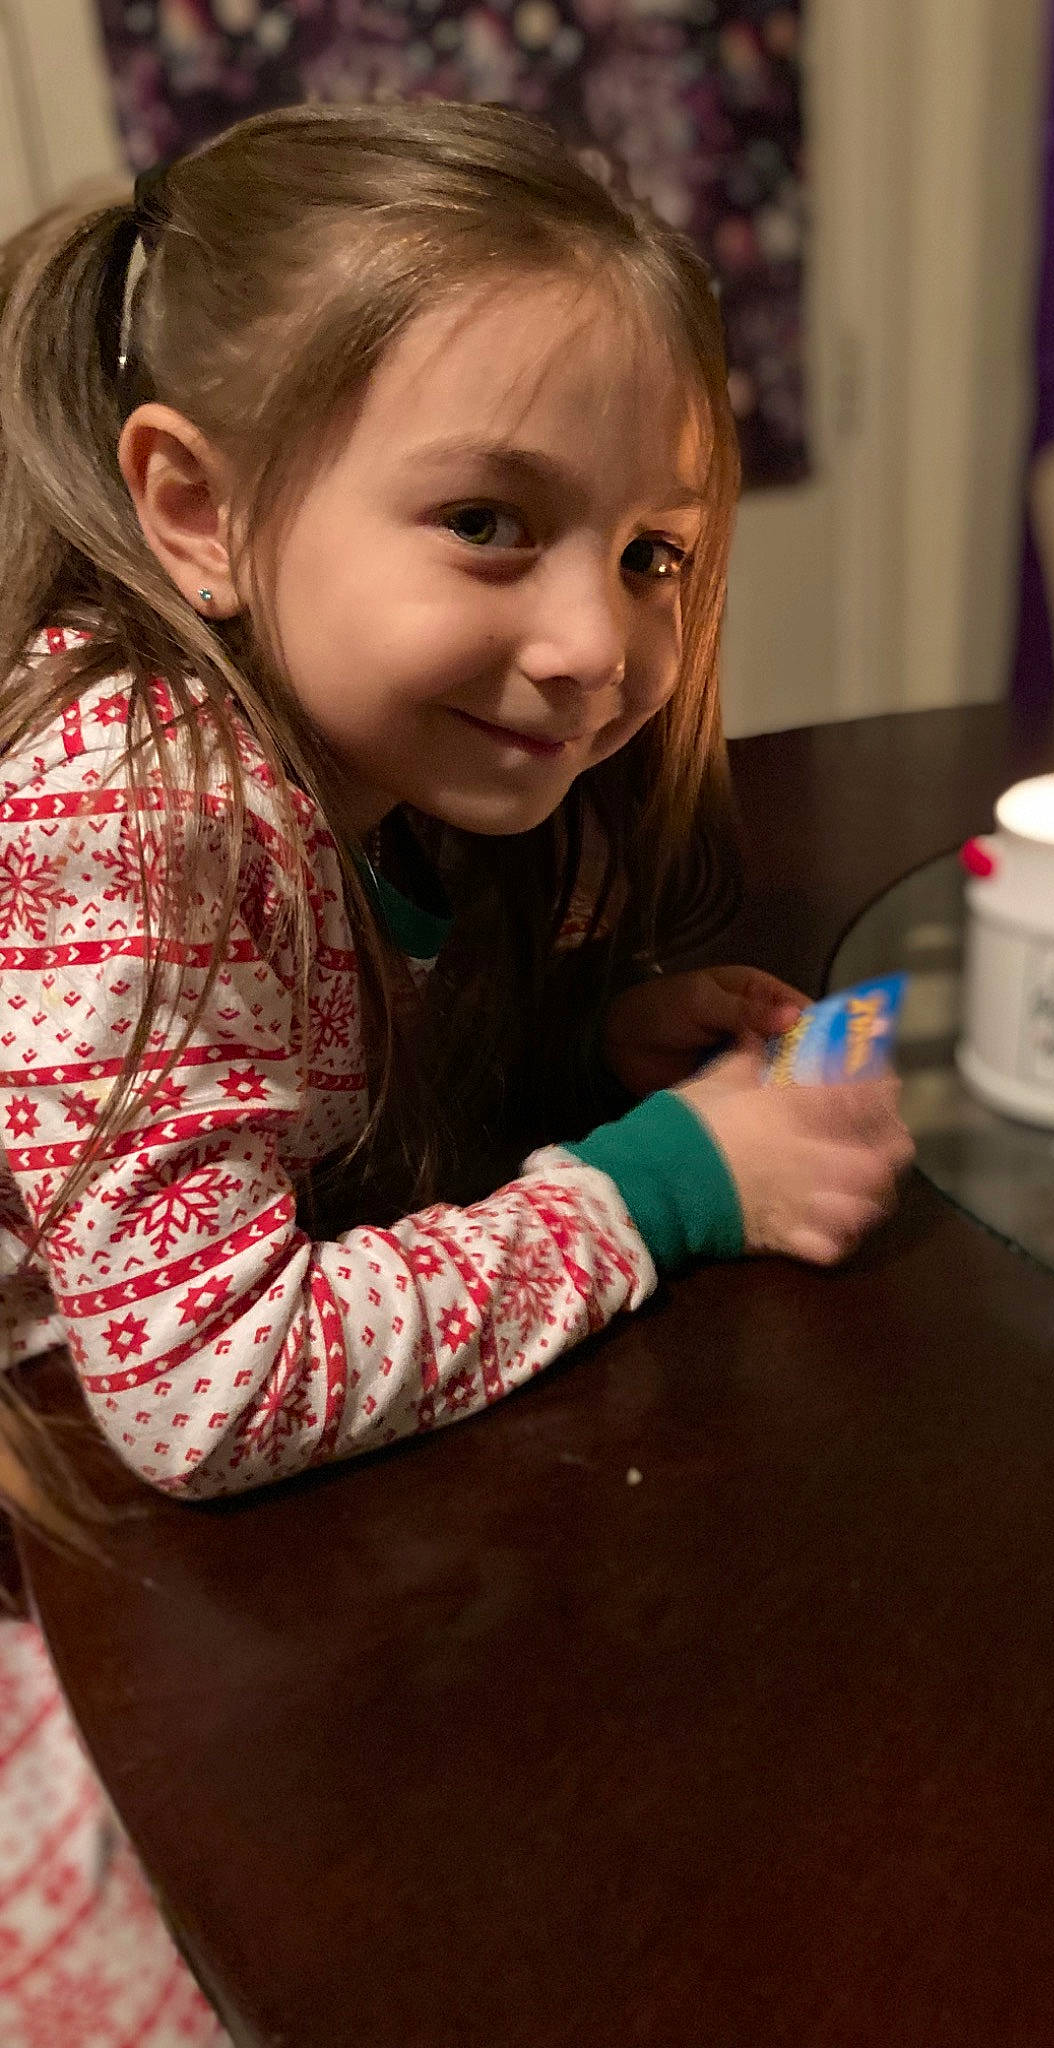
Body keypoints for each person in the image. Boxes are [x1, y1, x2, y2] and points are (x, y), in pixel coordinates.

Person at [0, 102, 913, 2045]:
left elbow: (285, 1057)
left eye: (653, 548)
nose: (598, 642)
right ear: (195, 510)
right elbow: (204, 1382)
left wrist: (577, 1049)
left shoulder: (346, 763)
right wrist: (671, 1182)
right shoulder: (135, 797)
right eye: (490, 521)